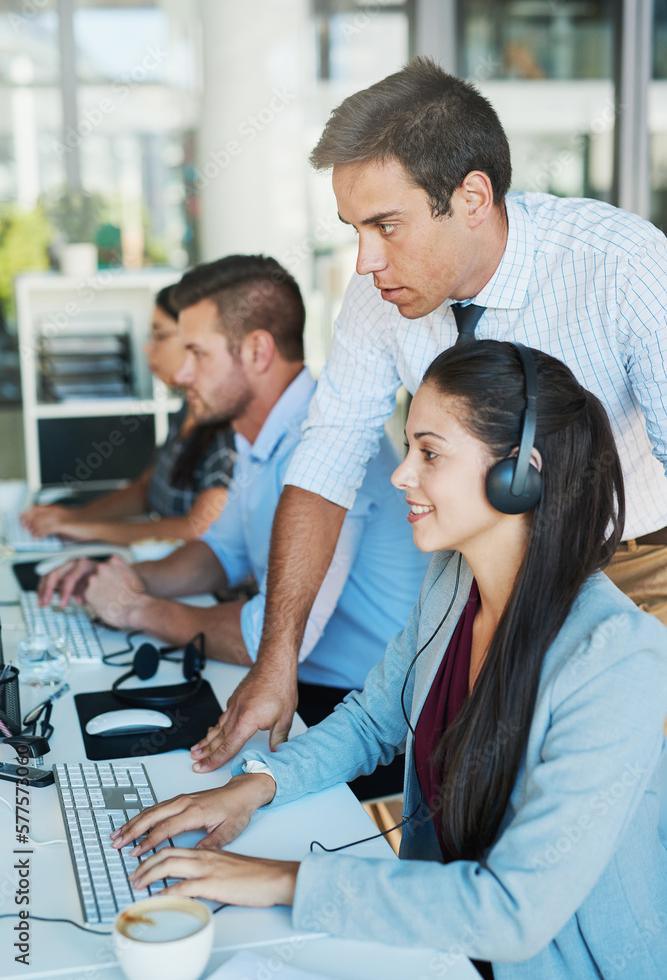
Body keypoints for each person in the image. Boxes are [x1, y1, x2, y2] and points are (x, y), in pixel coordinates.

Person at [109, 341, 667, 979]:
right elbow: (376, 718)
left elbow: (514, 912)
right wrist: (253, 787)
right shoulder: (452, 581)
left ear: (520, 474)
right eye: (409, 448)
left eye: (429, 453)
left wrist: (276, 881)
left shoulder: (617, 657)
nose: (402, 474)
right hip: (431, 939)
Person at [196, 55, 667, 771]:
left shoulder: (620, 264)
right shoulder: (377, 297)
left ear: (472, 197)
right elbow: (326, 461)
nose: (364, 261)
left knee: (612, 799)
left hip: (632, 569)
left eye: (386, 225)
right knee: (470, 787)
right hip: (480, 569)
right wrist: (275, 661)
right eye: (354, 228)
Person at [40, 254, 429, 798]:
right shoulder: (258, 435)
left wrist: (138, 610)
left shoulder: (330, 445)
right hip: (313, 685)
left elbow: (264, 643)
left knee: (152, 784)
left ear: (257, 350)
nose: (181, 373)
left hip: (364, 714)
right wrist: (128, 576)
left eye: (197, 353)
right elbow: (219, 552)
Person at [21, 285, 236, 547]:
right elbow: (146, 489)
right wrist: (78, 518)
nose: (147, 349)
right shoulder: (187, 409)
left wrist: (91, 530)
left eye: (159, 336)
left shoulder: (229, 430)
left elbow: (198, 529)